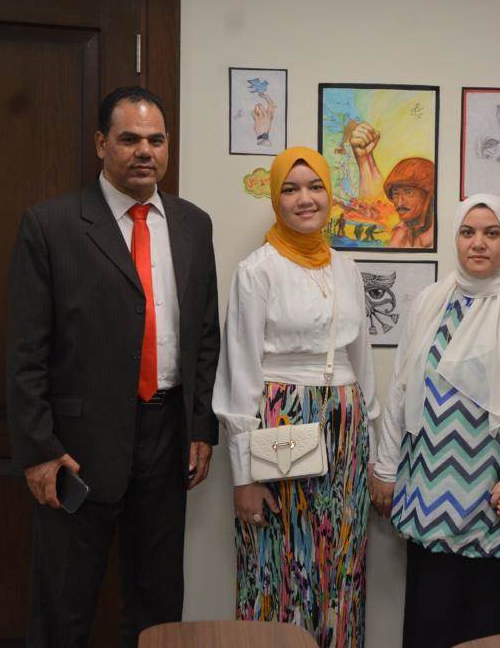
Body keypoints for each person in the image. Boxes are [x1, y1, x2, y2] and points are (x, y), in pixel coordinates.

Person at [6, 86, 220, 645]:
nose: (145, 151)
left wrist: (201, 427)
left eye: (156, 140)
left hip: (167, 439)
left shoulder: (194, 225)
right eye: (129, 139)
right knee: (63, 609)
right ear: (102, 144)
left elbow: (204, 335)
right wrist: (38, 449)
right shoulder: (51, 225)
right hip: (75, 448)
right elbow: (26, 352)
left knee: (157, 607)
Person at [369, 194, 500, 648]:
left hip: (495, 489)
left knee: (492, 623)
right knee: (431, 619)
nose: (479, 243)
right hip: (427, 489)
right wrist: (386, 466)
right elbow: (400, 385)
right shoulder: (431, 300)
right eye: (468, 232)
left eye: (492, 233)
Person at [213, 146, 380, 647]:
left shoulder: (347, 268)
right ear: (275, 198)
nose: (305, 199)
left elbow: (363, 362)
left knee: (342, 559)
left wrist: (375, 452)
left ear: (330, 195)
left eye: (315, 187)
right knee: (279, 561)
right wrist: (243, 477)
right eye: (290, 189)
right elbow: (239, 372)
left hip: (346, 430)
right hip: (282, 422)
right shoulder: (257, 271)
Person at [350, 121, 435, 248]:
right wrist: (364, 160)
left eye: (408, 192)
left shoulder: (438, 237)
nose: (399, 203)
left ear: (428, 194)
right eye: (395, 194)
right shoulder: (400, 234)